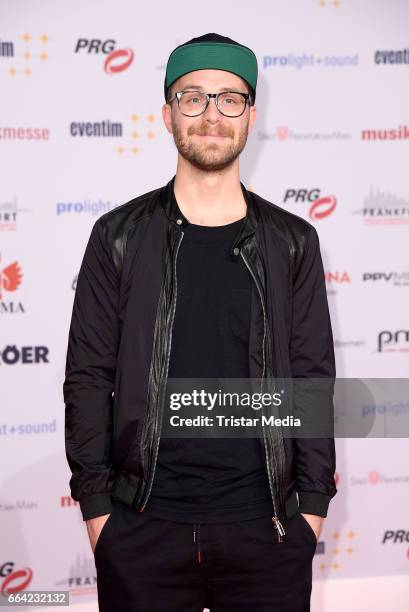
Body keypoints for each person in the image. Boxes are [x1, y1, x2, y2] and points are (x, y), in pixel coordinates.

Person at [63, 32, 337, 612]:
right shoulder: (118, 236)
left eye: (228, 98)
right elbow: (88, 375)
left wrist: (311, 507)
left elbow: (312, 379)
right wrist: (98, 512)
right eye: (193, 97)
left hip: (268, 530)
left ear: (251, 115)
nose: (211, 115)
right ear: (168, 114)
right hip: (141, 528)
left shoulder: (293, 242)